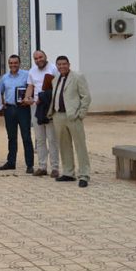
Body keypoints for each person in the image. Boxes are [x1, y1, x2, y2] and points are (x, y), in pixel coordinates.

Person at [47, 56, 92, 188]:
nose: (62, 66)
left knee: (80, 146)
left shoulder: (77, 77)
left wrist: (81, 114)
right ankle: (68, 172)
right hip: (58, 116)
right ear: (56, 66)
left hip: (73, 116)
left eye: (64, 64)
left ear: (69, 64)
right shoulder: (55, 79)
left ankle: (84, 175)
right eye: (59, 64)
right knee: (64, 145)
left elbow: (86, 97)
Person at [24, 50, 60, 178]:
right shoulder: (32, 71)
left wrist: (45, 98)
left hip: (50, 107)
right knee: (39, 139)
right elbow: (30, 87)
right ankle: (42, 166)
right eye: (36, 58)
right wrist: (27, 97)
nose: (38, 60)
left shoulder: (53, 69)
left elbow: (58, 88)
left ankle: (55, 168)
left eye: (40, 57)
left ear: (45, 57)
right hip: (36, 107)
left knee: (52, 139)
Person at [0, 55, 34, 173]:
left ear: (19, 63)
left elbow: (32, 88)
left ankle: (30, 165)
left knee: (26, 137)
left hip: (23, 109)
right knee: (11, 137)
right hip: (9, 109)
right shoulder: (4, 77)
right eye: (11, 63)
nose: (13, 65)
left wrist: (28, 99)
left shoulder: (26, 75)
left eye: (15, 63)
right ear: (8, 64)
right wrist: (2, 103)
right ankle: (11, 162)